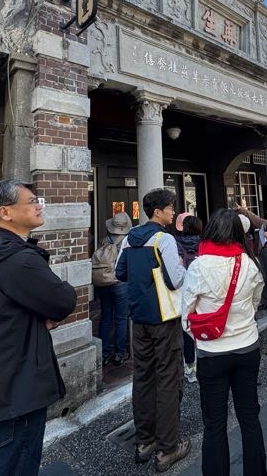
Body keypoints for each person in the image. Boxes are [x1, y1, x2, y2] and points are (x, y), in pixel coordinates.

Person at [0, 180, 77, 476]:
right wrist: (47, 312)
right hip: (13, 391)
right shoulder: (18, 260)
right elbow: (63, 299)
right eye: (32, 201)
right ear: (5, 212)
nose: (39, 206)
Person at [181, 208, 267, 476]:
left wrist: (202, 338)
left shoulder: (199, 266)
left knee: (214, 424)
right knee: (250, 417)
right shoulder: (250, 262)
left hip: (212, 354)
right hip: (247, 347)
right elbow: (255, 303)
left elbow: (186, 316)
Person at [115, 188, 190, 471]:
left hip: (139, 318)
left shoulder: (129, 239)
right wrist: (182, 267)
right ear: (158, 211)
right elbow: (174, 280)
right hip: (164, 317)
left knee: (143, 377)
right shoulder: (164, 239)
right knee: (169, 378)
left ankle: (144, 441)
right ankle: (167, 447)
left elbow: (119, 272)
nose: (173, 212)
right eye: (170, 208)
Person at [95, 211, 132, 366]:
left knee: (105, 317)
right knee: (121, 318)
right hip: (120, 283)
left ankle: (104, 353)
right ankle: (120, 353)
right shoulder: (128, 241)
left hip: (103, 282)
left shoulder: (105, 240)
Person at [237, 202, 267, 310]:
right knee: (263, 275)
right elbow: (253, 217)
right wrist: (241, 209)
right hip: (262, 252)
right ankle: (265, 300)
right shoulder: (265, 224)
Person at [177, 215, 203, 384]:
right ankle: (204, 362)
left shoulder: (176, 243)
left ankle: (190, 368)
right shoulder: (204, 243)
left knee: (187, 327)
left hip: (184, 290)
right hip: (203, 289)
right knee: (203, 324)